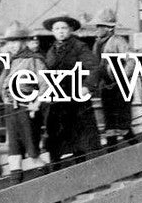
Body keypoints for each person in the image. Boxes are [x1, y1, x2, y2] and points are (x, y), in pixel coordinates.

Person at [0, 22, 44, 179]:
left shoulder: (34, 61)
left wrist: (36, 103)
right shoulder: (11, 62)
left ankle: (51, 190)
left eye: (15, 41)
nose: (12, 45)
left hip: (27, 110)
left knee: (33, 154)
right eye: (9, 42)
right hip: (10, 111)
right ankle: (15, 188)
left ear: (24, 41)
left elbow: (46, 84)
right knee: (13, 153)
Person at [42, 15, 101, 167]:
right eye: (57, 29)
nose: (60, 31)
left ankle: (86, 175)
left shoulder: (79, 47)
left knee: (81, 141)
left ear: (70, 30)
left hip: (76, 101)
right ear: (53, 32)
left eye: (63, 28)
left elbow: (94, 68)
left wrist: (86, 86)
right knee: (58, 140)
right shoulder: (51, 50)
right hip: (58, 103)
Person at [92, 8, 134, 146]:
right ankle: (111, 158)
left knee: (123, 127)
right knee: (109, 128)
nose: (97, 29)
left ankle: (141, 151)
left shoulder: (118, 41)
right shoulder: (97, 44)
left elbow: (131, 60)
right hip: (106, 88)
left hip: (120, 89)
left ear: (109, 28)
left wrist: (122, 77)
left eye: (100, 26)